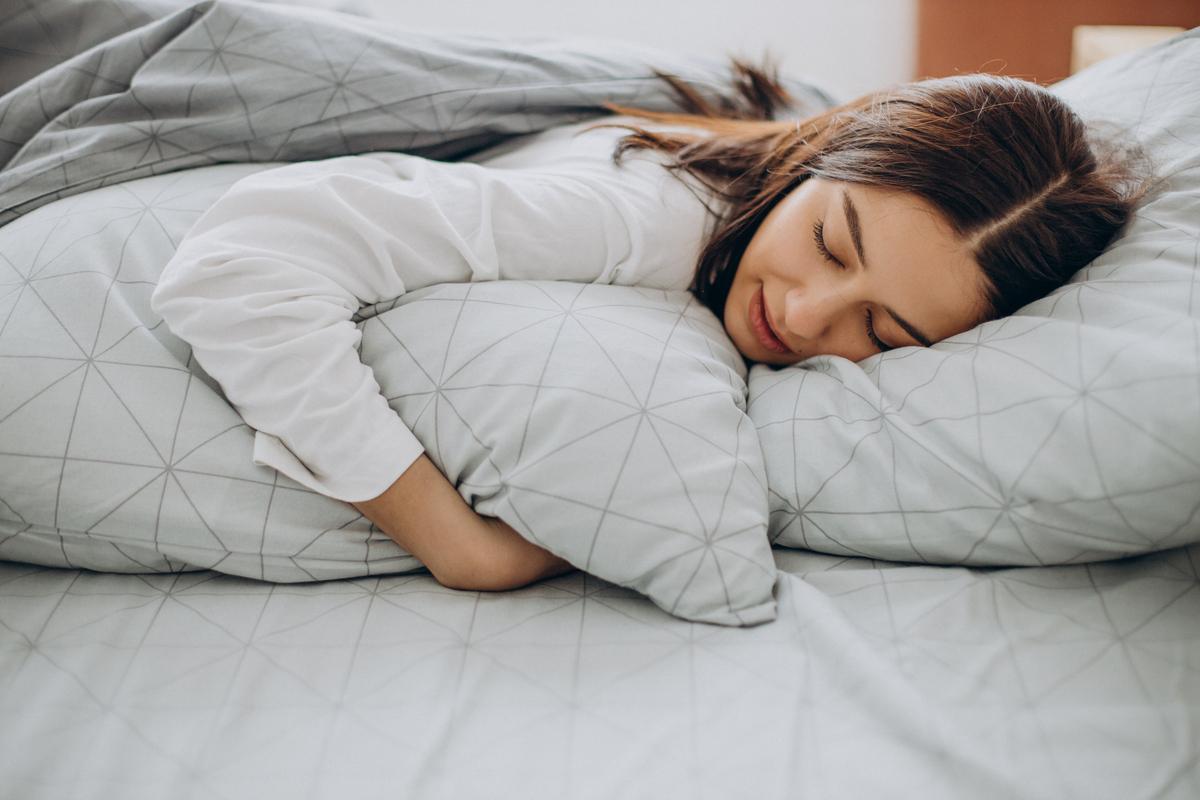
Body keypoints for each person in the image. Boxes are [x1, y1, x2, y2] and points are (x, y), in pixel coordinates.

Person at [150, 58, 1153, 594]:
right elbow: (239, 262)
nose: (803, 314)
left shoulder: (763, 187)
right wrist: (459, 543)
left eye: (883, 334)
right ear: (824, 155)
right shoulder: (638, 221)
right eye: (830, 243)